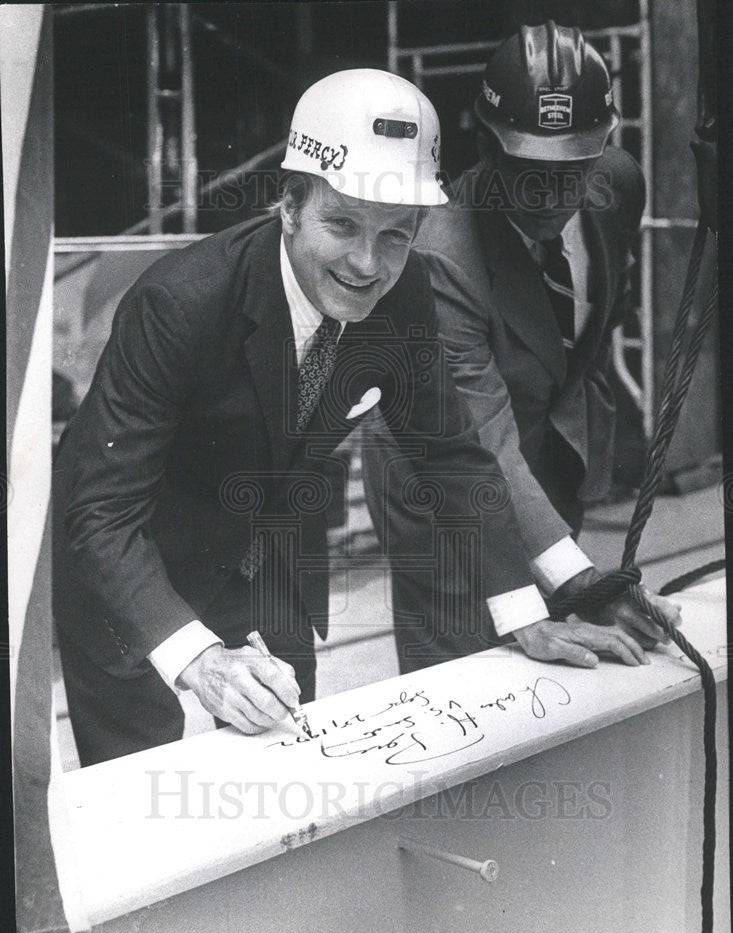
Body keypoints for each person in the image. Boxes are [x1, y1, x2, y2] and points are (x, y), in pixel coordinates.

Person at [54, 67, 658, 767]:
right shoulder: (178, 305)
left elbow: (450, 457)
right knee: (138, 782)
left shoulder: (402, 296)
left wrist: (525, 613)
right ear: (288, 205)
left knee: (291, 759)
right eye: (341, 225)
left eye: (396, 235)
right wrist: (200, 660)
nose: (367, 265)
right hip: (125, 549)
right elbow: (102, 516)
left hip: (263, 545)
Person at [362, 24, 681, 673]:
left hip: (541, 460)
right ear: (485, 146)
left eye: (570, 171)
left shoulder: (617, 185)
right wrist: (583, 580)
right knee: (467, 690)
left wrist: (577, 578)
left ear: (601, 152)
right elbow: (480, 440)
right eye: (526, 171)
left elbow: (593, 321)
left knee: (565, 669)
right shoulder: (440, 256)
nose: (548, 195)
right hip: (441, 485)